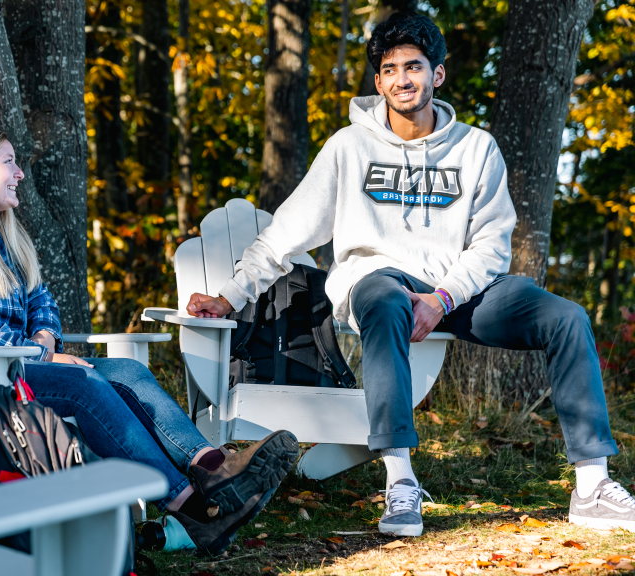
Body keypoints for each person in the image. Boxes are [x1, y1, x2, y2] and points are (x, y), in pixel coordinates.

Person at [185, 12, 630, 537]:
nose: (402, 78)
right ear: (378, 81)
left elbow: (491, 246)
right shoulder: (348, 148)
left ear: (436, 75)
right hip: (376, 284)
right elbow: (284, 234)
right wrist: (230, 296)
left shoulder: (476, 149)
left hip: (456, 288)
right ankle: (400, 482)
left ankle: (591, 486)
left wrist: (442, 299)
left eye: (413, 66)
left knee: (567, 318)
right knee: (386, 297)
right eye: (390, 69)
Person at [0, 125, 299, 555]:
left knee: (128, 370)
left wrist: (45, 340)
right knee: (84, 385)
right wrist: (43, 357)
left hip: (11, 366)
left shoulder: (1, 235)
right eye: (8, 162)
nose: (20, 174)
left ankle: (213, 468)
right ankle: (191, 506)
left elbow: (41, 302)